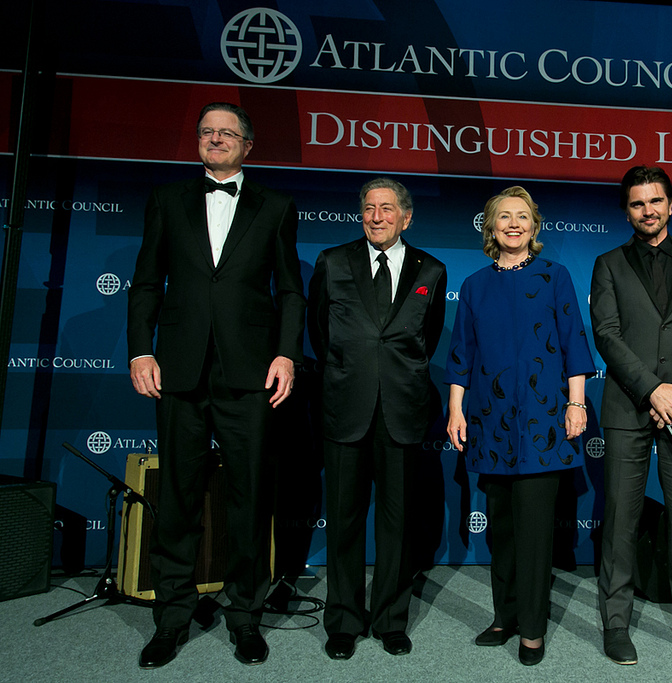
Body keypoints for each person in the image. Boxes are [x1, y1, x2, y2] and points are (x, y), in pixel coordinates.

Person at [127, 102, 304, 668]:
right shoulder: (167, 200)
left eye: (228, 133)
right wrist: (140, 349)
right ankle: (172, 616)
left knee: (249, 499)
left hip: (250, 371)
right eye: (208, 132)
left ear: (248, 145)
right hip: (178, 367)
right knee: (177, 497)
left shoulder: (276, 206)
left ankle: (245, 616)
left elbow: (291, 290)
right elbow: (146, 282)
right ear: (198, 142)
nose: (216, 139)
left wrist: (285, 353)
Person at [446, 186, 595, 667]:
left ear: (534, 226)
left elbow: (574, 343)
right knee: (503, 531)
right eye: (503, 217)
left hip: (543, 422)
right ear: (489, 227)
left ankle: (532, 629)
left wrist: (577, 405)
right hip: (489, 423)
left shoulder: (555, 276)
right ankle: (504, 616)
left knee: (534, 533)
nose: (513, 224)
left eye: (523, 217)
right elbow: (461, 357)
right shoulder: (472, 286)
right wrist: (455, 410)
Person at [590, 165, 672, 667]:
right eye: (637, 203)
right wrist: (651, 389)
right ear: (627, 210)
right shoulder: (608, 264)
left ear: (671, 205)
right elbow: (607, 333)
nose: (647, 210)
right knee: (621, 521)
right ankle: (616, 624)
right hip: (628, 408)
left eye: (655, 201)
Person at [308, 177, 447, 661]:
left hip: (402, 413)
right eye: (369, 208)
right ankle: (344, 620)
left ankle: (390, 619)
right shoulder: (331, 262)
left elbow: (425, 340)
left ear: (406, 217)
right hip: (346, 408)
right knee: (343, 523)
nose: (377, 216)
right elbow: (319, 332)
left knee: (397, 523)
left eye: (387, 209)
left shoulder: (432, 268)